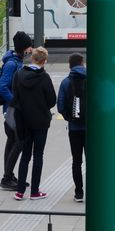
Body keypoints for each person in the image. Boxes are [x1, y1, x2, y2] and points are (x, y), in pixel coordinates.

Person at [11, 46, 55, 201]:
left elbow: (15, 96)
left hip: (23, 121)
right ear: (44, 61)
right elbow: (52, 100)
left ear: (32, 58)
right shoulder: (44, 78)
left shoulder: (19, 74)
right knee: (38, 155)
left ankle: (20, 191)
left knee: (25, 156)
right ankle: (35, 191)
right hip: (41, 122)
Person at [0, 31, 32, 191]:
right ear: (23, 48)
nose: (30, 49)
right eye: (29, 46)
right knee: (19, 141)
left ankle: (9, 175)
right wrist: (15, 101)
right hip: (12, 111)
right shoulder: (12, 64)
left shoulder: (17, 61)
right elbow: (3, 86)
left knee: (12, 141)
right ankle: (6, 178)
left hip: (13, 109)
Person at [56, 53, 86, 202]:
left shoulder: (66, 82)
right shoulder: (91, 79)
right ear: (83, 63)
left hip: (74, 128)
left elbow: (60, 105)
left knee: (76, 161)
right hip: (91, 128)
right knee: (92, 160)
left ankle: (79, 193)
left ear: (70, 65)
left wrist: (70, 117)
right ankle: (94, 190)